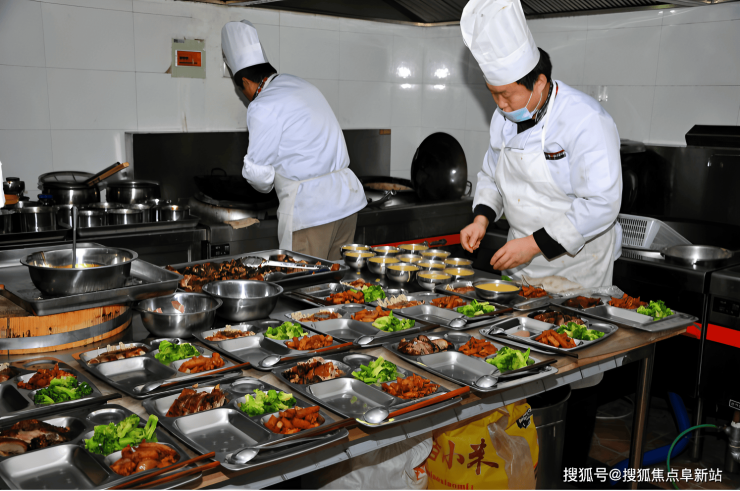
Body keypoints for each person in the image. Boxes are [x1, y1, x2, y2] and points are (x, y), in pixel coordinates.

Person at [458, 0, 623, 288]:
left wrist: (533, 245)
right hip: (519, 262)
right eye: (493, 94)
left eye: (506, 94)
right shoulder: (502, 118)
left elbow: (601, 203)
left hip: (578, 267)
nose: (500, 104)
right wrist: (481, 219)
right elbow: (492, 176)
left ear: (539, 83)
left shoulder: (585, 119)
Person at [221, 21, 366, 260]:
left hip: (311, 213)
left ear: (245, 82)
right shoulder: (299, 84)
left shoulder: (262, 105)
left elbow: (259, 176)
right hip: (346, 204)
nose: (245, 98)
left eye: (242, 91)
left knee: (302, 280)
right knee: (336, 279)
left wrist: (264, 179)